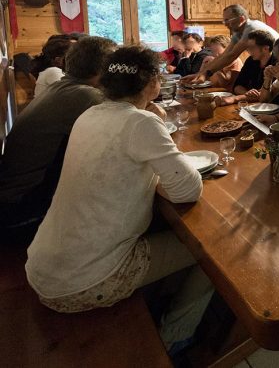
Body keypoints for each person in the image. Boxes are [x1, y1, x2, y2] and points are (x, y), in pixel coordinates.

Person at [25, 46, 212, 354]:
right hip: (86, 281)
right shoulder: (140, 123)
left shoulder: (88, 115)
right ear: (152, 84)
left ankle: (162, 294)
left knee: (167, 231)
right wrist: (155, 130)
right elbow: (187, 190)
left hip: (44, 266)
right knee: (209, 250)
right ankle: (175, 335)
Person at [0, 37, 117, 243]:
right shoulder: (86, 96)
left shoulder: (62, 88)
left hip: (13, 200)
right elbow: (127, 131)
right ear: (104, 69)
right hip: (22, 210)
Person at [182, 4, 279, 84]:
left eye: (228, 20)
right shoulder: (238, 32)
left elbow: (232, 55)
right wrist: (200, 74)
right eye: (224, 20)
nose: (225, 24)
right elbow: (225, 54)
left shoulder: (251, 28)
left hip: (277, 60)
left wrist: (206, 74)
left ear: (241, 19)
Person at [217, 30, 276, 105]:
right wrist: (247, 93)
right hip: (252, 104)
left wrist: (235, 99)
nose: (248, 51)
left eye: (252, 47)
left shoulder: (277, 64)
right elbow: (237, 86)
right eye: (248, 47)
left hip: (271, 106)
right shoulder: (251, 60)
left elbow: (265, 95)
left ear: (266, 48)